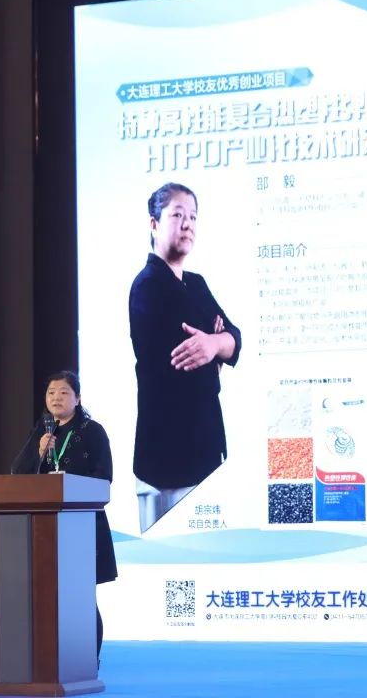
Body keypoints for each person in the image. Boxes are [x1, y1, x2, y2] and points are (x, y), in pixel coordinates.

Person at [129, 182, 241, 532]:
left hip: (205, 449)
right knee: (168, 558)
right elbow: (178, 364)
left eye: (193, 216)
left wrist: (215, 343)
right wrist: (215, 345)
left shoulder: (198, 284)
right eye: (177, 215)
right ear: (154, 224)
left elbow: (235, 338)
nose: (188, 223)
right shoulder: (147, 285)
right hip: (166, 457)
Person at [11, 370, 118, 659]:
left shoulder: (92, 431)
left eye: (63, 392)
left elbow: (104, 478)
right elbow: (18, 474)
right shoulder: (42, 432)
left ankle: (88, 659)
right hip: (45, 528)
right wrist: (38, 452)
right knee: (47, 598)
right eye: (51, 393)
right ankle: (52, 660)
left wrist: (70, 486)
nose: (56, 398)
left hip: (83, 526)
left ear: (78, 398)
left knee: (82, 598)